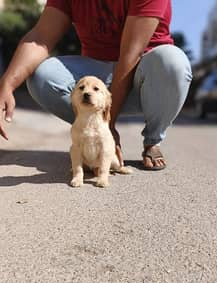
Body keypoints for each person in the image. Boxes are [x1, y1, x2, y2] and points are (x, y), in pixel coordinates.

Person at [0, 0, 192, 170]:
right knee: (41, 76)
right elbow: (40, 38)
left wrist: (107, 125)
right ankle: (90, 135)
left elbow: (130, 56)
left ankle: (153, 140)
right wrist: (6, 85)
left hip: (145, 78)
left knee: (173, 62)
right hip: (98, 83)